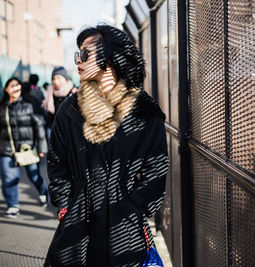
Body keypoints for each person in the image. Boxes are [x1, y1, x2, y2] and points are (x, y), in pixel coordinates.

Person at [44, 24, 169, 266]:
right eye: (77, 54)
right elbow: (57, 162)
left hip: (124, 224)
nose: (77, 60)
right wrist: (65, 205)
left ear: (110, 58)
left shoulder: (145, 111)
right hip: (77, 222)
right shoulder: (69, 110)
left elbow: (156, 170)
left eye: (85, 54)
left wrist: (136, 207)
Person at [0, 77, 48, 218]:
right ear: (6, 89)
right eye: (11, 86)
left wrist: (42, 149)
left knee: (34, 176)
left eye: (17, 85)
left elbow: (39, 127)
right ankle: (13, 205)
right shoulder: (3, 107)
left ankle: (43, 191)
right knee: (9, 178)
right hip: (6, 150)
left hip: (27, 149)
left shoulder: (29, 104)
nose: (15, 88)